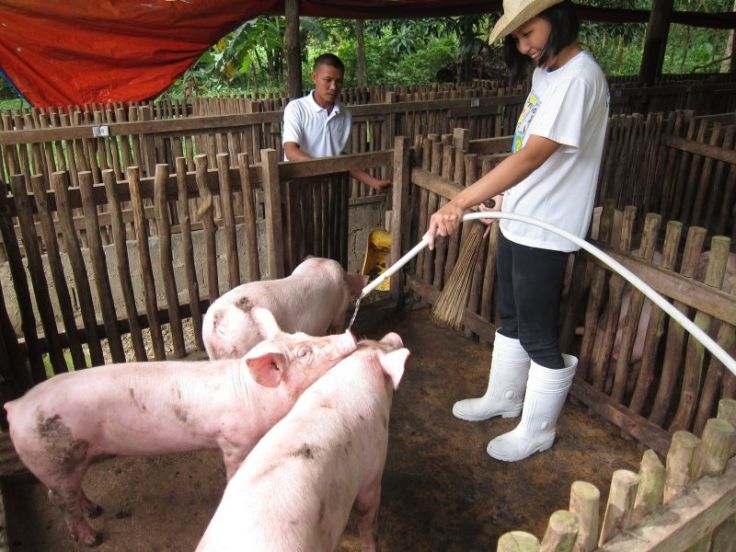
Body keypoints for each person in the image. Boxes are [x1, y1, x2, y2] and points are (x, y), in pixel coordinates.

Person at [425, 0, 609, 462]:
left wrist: (461, 200)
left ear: (559, 18)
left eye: (529, 33)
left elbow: (531, 156)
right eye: (517, 38)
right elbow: (528, 148)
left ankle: (538, 428)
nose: (524, 45)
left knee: (538, 333)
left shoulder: (580, 79)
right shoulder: (547, 72)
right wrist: (505, 199)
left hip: (547, 227)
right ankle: (504, 399)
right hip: (521, 217)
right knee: (510, 314)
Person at [282, 53, 391, 192]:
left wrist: (373, 182)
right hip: (299, 188)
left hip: (331, 189)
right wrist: (325, 168)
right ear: (314, 77)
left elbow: (342, 158)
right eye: (327, 80)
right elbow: (291, 151)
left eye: (338, 81)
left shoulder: (345, 114)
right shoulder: (296, 108)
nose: (333, 86)